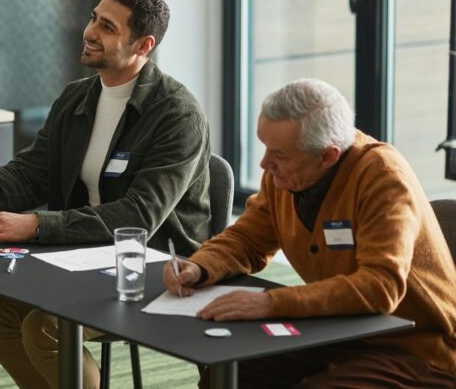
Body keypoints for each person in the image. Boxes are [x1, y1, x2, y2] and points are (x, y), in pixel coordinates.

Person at [0, 0, 213, 389]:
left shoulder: (177, 115)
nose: (90, 31)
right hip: (83, 256)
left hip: (153, 267)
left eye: (108, 27)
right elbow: (34, 172)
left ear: (142, 45)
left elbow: (139, 217)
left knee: (45, 327)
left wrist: (38, 226)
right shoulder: (77, 98)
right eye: (93, 18)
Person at [164, 79, 456, 388]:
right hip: (337, 328)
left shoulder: (383, 178)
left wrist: (272, 303)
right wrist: (200, 265)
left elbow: (379, 287)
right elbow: (248, 239)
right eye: (265, 147)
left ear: (328, 155)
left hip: (415, 347)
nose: (265, 163)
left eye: (279, 154)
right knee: (228, 375)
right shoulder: (286, 174)